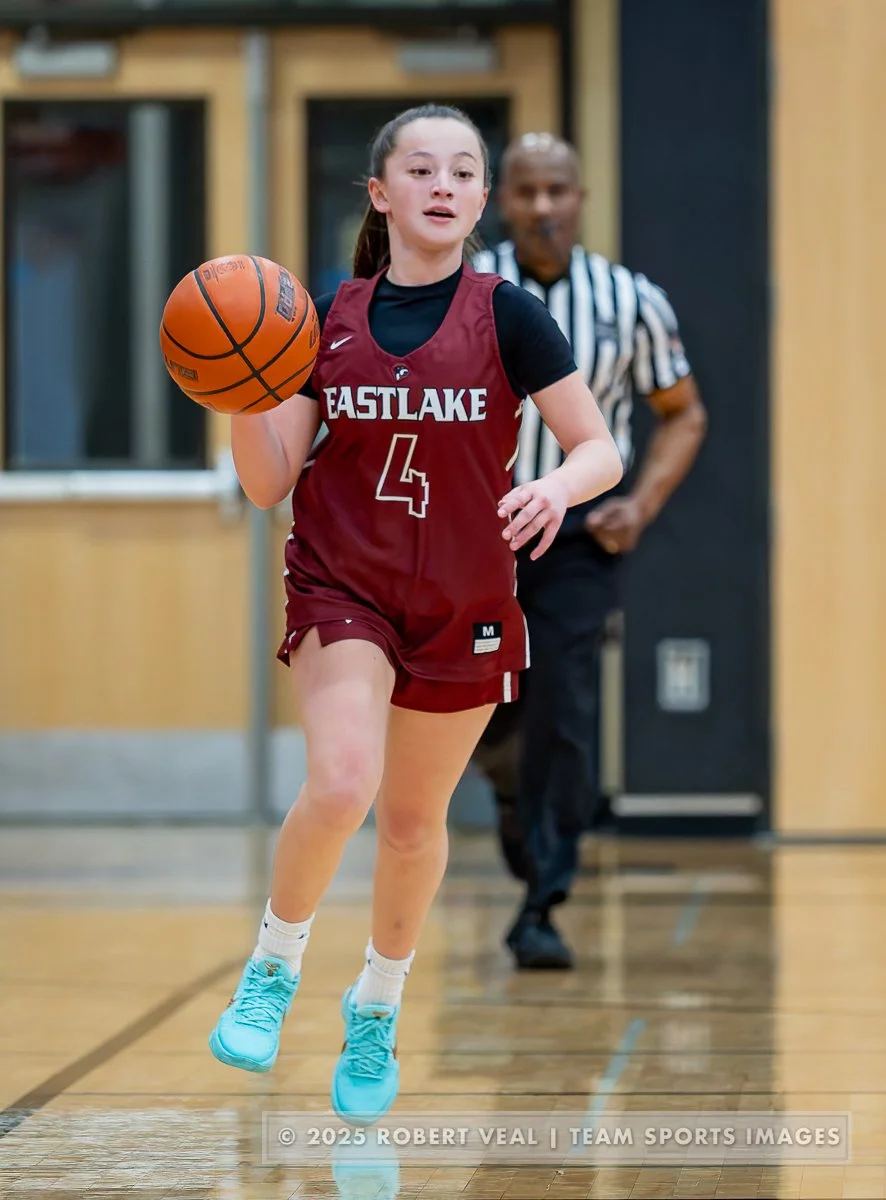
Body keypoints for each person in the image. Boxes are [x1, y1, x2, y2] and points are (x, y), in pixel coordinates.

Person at [207, 106, 623, 1125]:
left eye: (462, 171)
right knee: (343, 780)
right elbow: (269, 484)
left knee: (410, 823)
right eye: (421, 168)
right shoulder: (322, 320)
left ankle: (377, 1006)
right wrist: (235, 387)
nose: (444, 184)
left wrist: (557, 490)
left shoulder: (510, 316)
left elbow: (598, 448)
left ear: (479, 199)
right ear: (380, 194)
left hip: (462, 598)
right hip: (344, 587)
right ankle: (273, 964)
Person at [472, 132, 707, 971]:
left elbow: (683, 410)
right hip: (478, 535)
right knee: (491, 715)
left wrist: (639, 503)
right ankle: (506, 789)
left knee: (564, 712)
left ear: (580, 198)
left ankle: (543, 898)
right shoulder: (469, 291)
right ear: (504, 200)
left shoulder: (629, 300)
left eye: (557, 191)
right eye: (527, 191)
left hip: (574, 537)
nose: (542, 207)